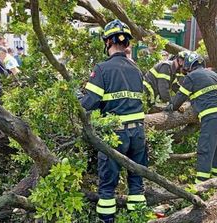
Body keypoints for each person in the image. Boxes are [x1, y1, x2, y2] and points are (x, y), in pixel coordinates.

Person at [80, 19, 147, 223]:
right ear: (126, 43)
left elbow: (88, 103)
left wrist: (77, 99)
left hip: (115, 135)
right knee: (137, 182)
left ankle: (107, 220)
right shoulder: (136, 70)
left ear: (108, 42)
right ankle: (137, 218)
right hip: (138, 134)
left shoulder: (102, 69)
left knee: (107, 185)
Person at [165, 52, 217, 183]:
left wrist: (170, 107)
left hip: (212, 116)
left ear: (190, 64)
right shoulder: (215, 75)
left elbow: (179, 98)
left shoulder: (191, 77)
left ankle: (201, 185)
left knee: (205, 148)